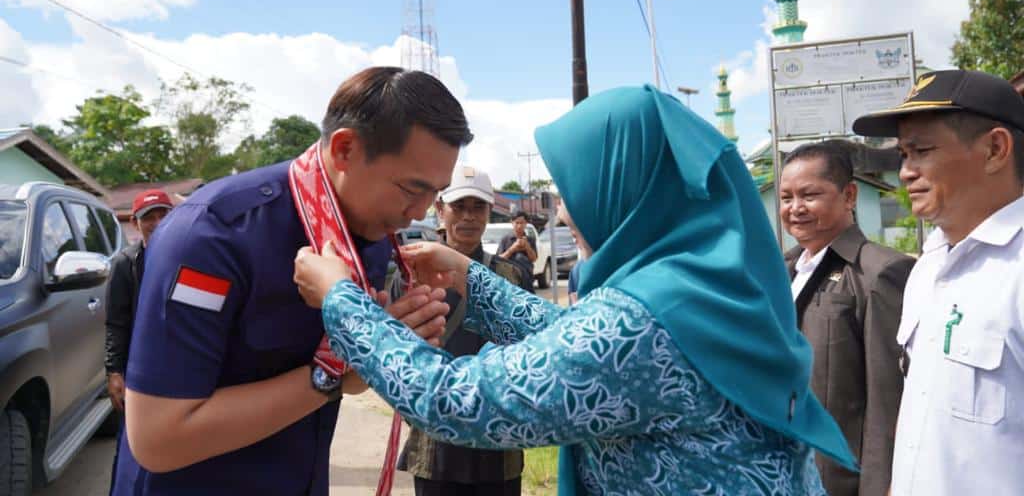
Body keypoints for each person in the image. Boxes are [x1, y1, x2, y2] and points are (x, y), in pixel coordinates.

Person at [295, 85, 856, 494]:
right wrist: (470, 276)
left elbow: (459, 402)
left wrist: (342, 300)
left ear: (626, 189)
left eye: (573, 190)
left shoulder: (644, 316)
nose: (563, 210)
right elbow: (576, 340)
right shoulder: (701, 286)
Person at [114, 67, 469, 495]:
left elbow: (350, 382)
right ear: (345, 150)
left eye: (436, 193)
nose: (420, 212)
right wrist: (330, 371)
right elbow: (158, 439)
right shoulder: (211, 237)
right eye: (412, 189)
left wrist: (381, 348)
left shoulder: (369, 238)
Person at [852, 69, 1024, 496]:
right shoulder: (928, 265)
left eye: (921, 151)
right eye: (903, 155)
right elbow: (923, 409)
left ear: (995, 149)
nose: (906, 172)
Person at [779, 141, 913, 496]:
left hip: (838, 479)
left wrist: (879, 487)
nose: (795, 208)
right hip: (786, 470)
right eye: (786, 197)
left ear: (849, 195)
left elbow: (887, 402)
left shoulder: (880, 272)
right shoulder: (783, 271)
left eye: (809, 195)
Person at [397, 164, 525, 496]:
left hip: (498, 440)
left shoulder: (511, 277)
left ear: (488, 211)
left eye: (478, 206)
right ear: (439, 209)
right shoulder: (410, 274)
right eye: (459, 206)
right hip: (434, 442)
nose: (468, 217)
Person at [104, 189, 173, 490]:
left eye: (164, 214)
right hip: (139, 367)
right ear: (135, 223)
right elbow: (116, 323)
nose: (157, 222)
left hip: (180, 363)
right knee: (133, 441)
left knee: (177, 440)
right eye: (149, 218)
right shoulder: (125, 264)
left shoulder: (192, 256)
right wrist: (114, 371)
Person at [498, 211, 537, 283]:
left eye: (522, 223)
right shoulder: (505, 239)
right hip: (510, 277)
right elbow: (500, 259)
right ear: (512, 223)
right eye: (517, 223)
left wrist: (527, 247)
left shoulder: (530, 240)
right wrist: (513, 249)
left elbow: (534, 259)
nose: (519, 226)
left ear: (526, 224)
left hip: (527, 277)